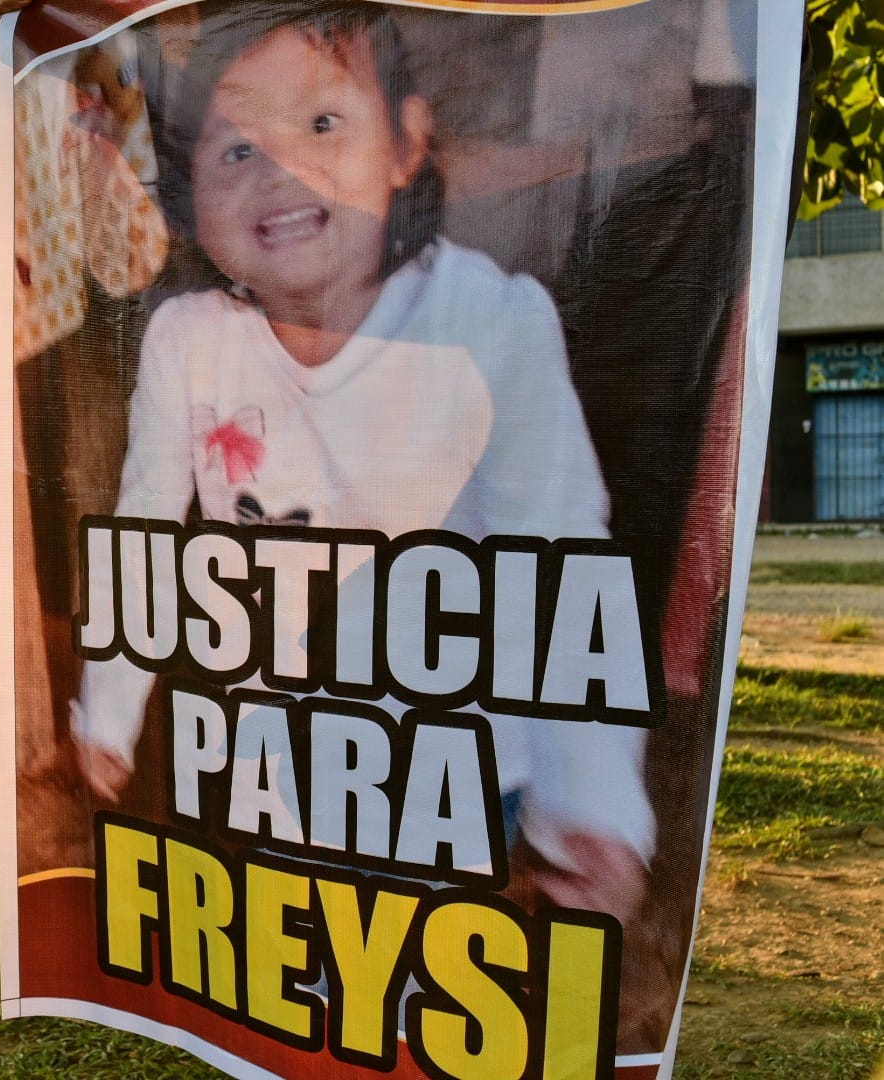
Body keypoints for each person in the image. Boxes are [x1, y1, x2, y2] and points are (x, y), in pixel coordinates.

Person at [65, 0, 653, 923]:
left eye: (323, 122)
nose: (282, 169)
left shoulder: (489, 322)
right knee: (297, 965)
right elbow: (142, 528)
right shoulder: (187, 342)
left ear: (406, 146)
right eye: (237, 148)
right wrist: (107, 713)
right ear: (192, 199)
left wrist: (593, 801)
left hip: (454, 766)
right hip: (274, 757)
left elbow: (560, 559)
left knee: (418, 970)